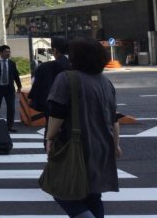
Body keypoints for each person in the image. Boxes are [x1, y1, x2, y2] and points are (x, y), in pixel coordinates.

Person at [45, 37, 121, 218]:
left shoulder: (67, 78)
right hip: (102, 145)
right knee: (92, 195)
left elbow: (57, 113)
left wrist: (49, 138)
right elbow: (114, 118)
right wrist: (115, 144)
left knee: (61, 189)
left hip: (77, 146)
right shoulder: (105, 82)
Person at [29, 36, 70, 118]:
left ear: (54, 50)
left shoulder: (45, 67)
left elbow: (36, 90)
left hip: (53, 111)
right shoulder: (80, 65)